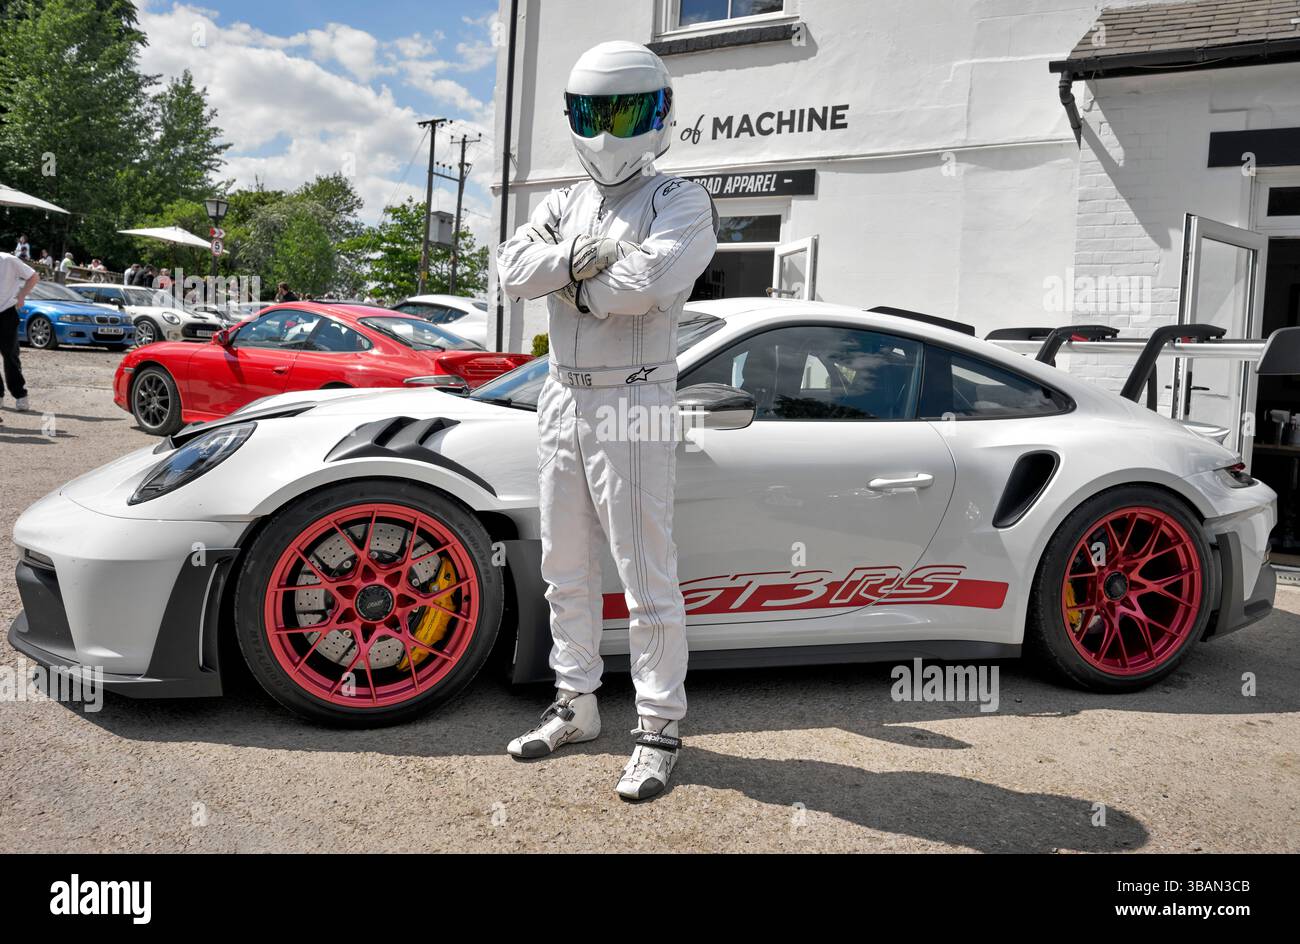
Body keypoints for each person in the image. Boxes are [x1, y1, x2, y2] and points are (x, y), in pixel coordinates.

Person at [496, 41, 718, 801]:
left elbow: (644, 281)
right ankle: (576, 703)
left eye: (626, 111)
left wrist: (570, 276)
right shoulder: (564, 199)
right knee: (566, 563)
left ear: (659, 115)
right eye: (595, 112)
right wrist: (582, 262)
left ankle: (658, 727)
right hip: (561, 392)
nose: (609, 130)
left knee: (645, 569)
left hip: (636, 392)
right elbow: (510, 270)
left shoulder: (680, 200)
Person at [1, 250, 38, 414]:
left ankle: (20, 394)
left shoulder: (8, 260)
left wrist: (22, 295)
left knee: (10, 356)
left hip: (6, 312)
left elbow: (33, 276)